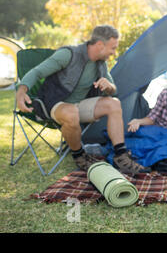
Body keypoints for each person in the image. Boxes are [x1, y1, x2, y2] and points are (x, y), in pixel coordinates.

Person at [16, 25, 148, 174]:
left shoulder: (100, 64)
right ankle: (80, 156)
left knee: (114, 104)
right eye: (112, 48)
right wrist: (21, 90)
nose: (114, 52)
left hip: (80, 106)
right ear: (99, 45)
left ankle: (121, 157)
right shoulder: (68, 54)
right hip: (55, 103)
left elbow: (113, 91)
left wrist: (108, 86)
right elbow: (37, 72)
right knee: (72, 113)